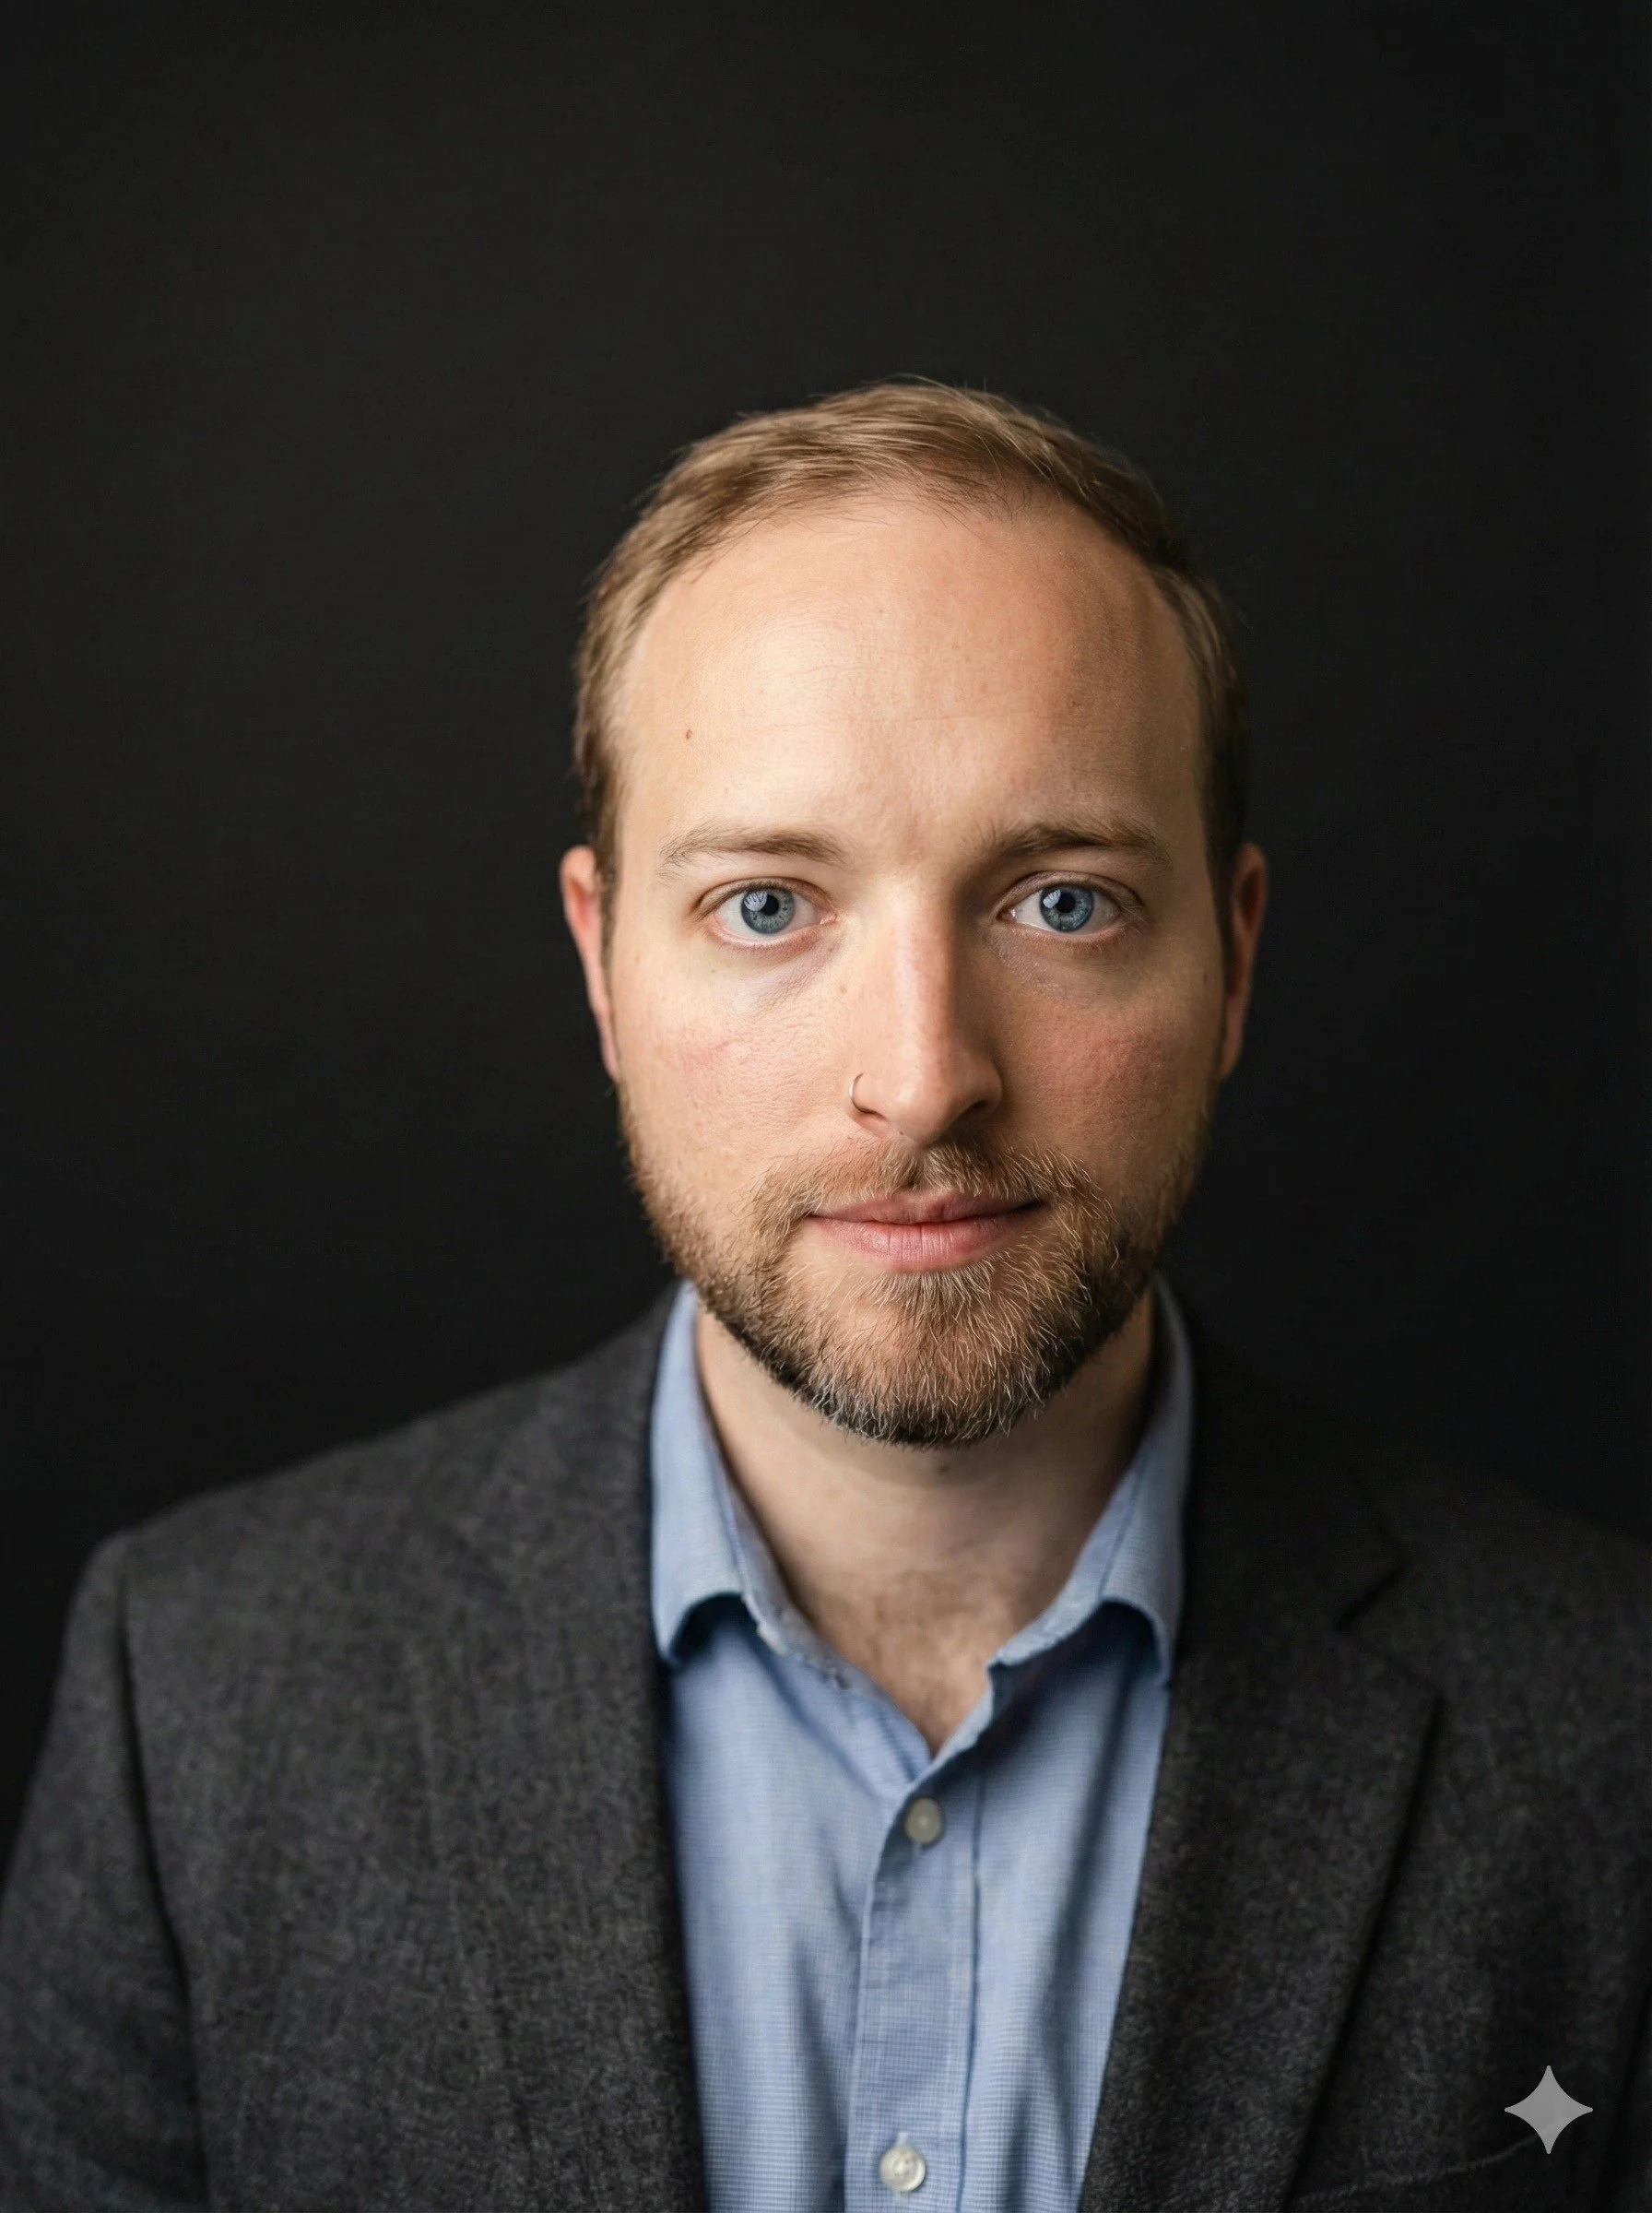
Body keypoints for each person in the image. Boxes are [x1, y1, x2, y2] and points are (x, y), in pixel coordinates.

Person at [0, 383, 1646, 2213]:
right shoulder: (201, 1702)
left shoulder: (1603, 1730)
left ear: (1233, 957)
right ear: (601, 965)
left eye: (1063, 904)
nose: (924, 1078)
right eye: (769, 909)